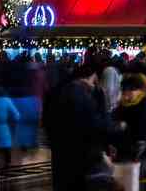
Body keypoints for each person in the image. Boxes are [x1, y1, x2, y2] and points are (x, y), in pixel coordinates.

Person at [45, 58, 113, 191]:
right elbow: (93, 124)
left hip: (60, 150)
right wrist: (115, 127)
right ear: (93, 76)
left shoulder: (57, 90)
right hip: (79, 154)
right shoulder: (81, 94)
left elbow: (47, 120)